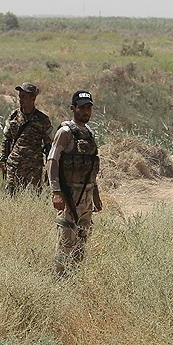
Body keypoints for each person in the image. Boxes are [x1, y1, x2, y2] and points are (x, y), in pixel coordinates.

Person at [48, 91, 102, 276]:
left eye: (89, 108)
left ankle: (74, 278)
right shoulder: (65, 133)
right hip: (69, 197)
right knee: (65, 242)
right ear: (73, 108)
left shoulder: (89, 133)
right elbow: (52, 161)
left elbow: (90, 168)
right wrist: (56, 192)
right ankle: (59, 280)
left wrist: (95, 195)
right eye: (82, 107)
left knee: (81, 242)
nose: (86, 111)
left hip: (86, 198)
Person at [0, 82, 53, 195]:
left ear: (33, 98)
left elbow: (49, 146)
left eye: (24, 96)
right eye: (20, 96)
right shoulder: (13, 116)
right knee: (12, 197)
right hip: (14, 166)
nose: (20, 99)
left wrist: (50, 168)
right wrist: (3, 160)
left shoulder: (43, 120)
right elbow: (7, 139)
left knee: (33, 196)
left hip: (33, 169)